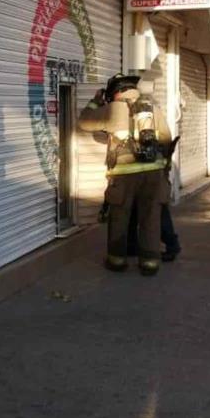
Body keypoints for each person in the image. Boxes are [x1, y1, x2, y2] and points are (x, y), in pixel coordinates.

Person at [79, 74, 171, 276]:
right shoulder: (153, 109)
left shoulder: (112, 109)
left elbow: (84, 122)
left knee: (119, 217)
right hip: (154, 175)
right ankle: (149, 263)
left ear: (115, 92)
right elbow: (166, 137)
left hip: (124, 176)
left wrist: (95, 102)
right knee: (150, 218)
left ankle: (117, 260)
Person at [127, 137, 182, 261]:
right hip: (142, 174)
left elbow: (166, 142)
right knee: (134, 210)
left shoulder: (154, 120)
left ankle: (172, 245)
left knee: (158, 213)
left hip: (152, 176)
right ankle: (131, 245)